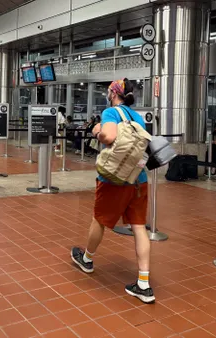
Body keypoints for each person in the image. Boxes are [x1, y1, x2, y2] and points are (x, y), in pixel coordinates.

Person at [71, 78, 155, 304]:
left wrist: (98, 131)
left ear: (113, 93)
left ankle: (87, 259)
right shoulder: (137, 117)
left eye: (109, 90)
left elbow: (108, 136)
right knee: (139, 226)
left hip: (114, 179)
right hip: (139, 179)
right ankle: (144, 284)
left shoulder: (111, 112)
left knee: (99, 220)